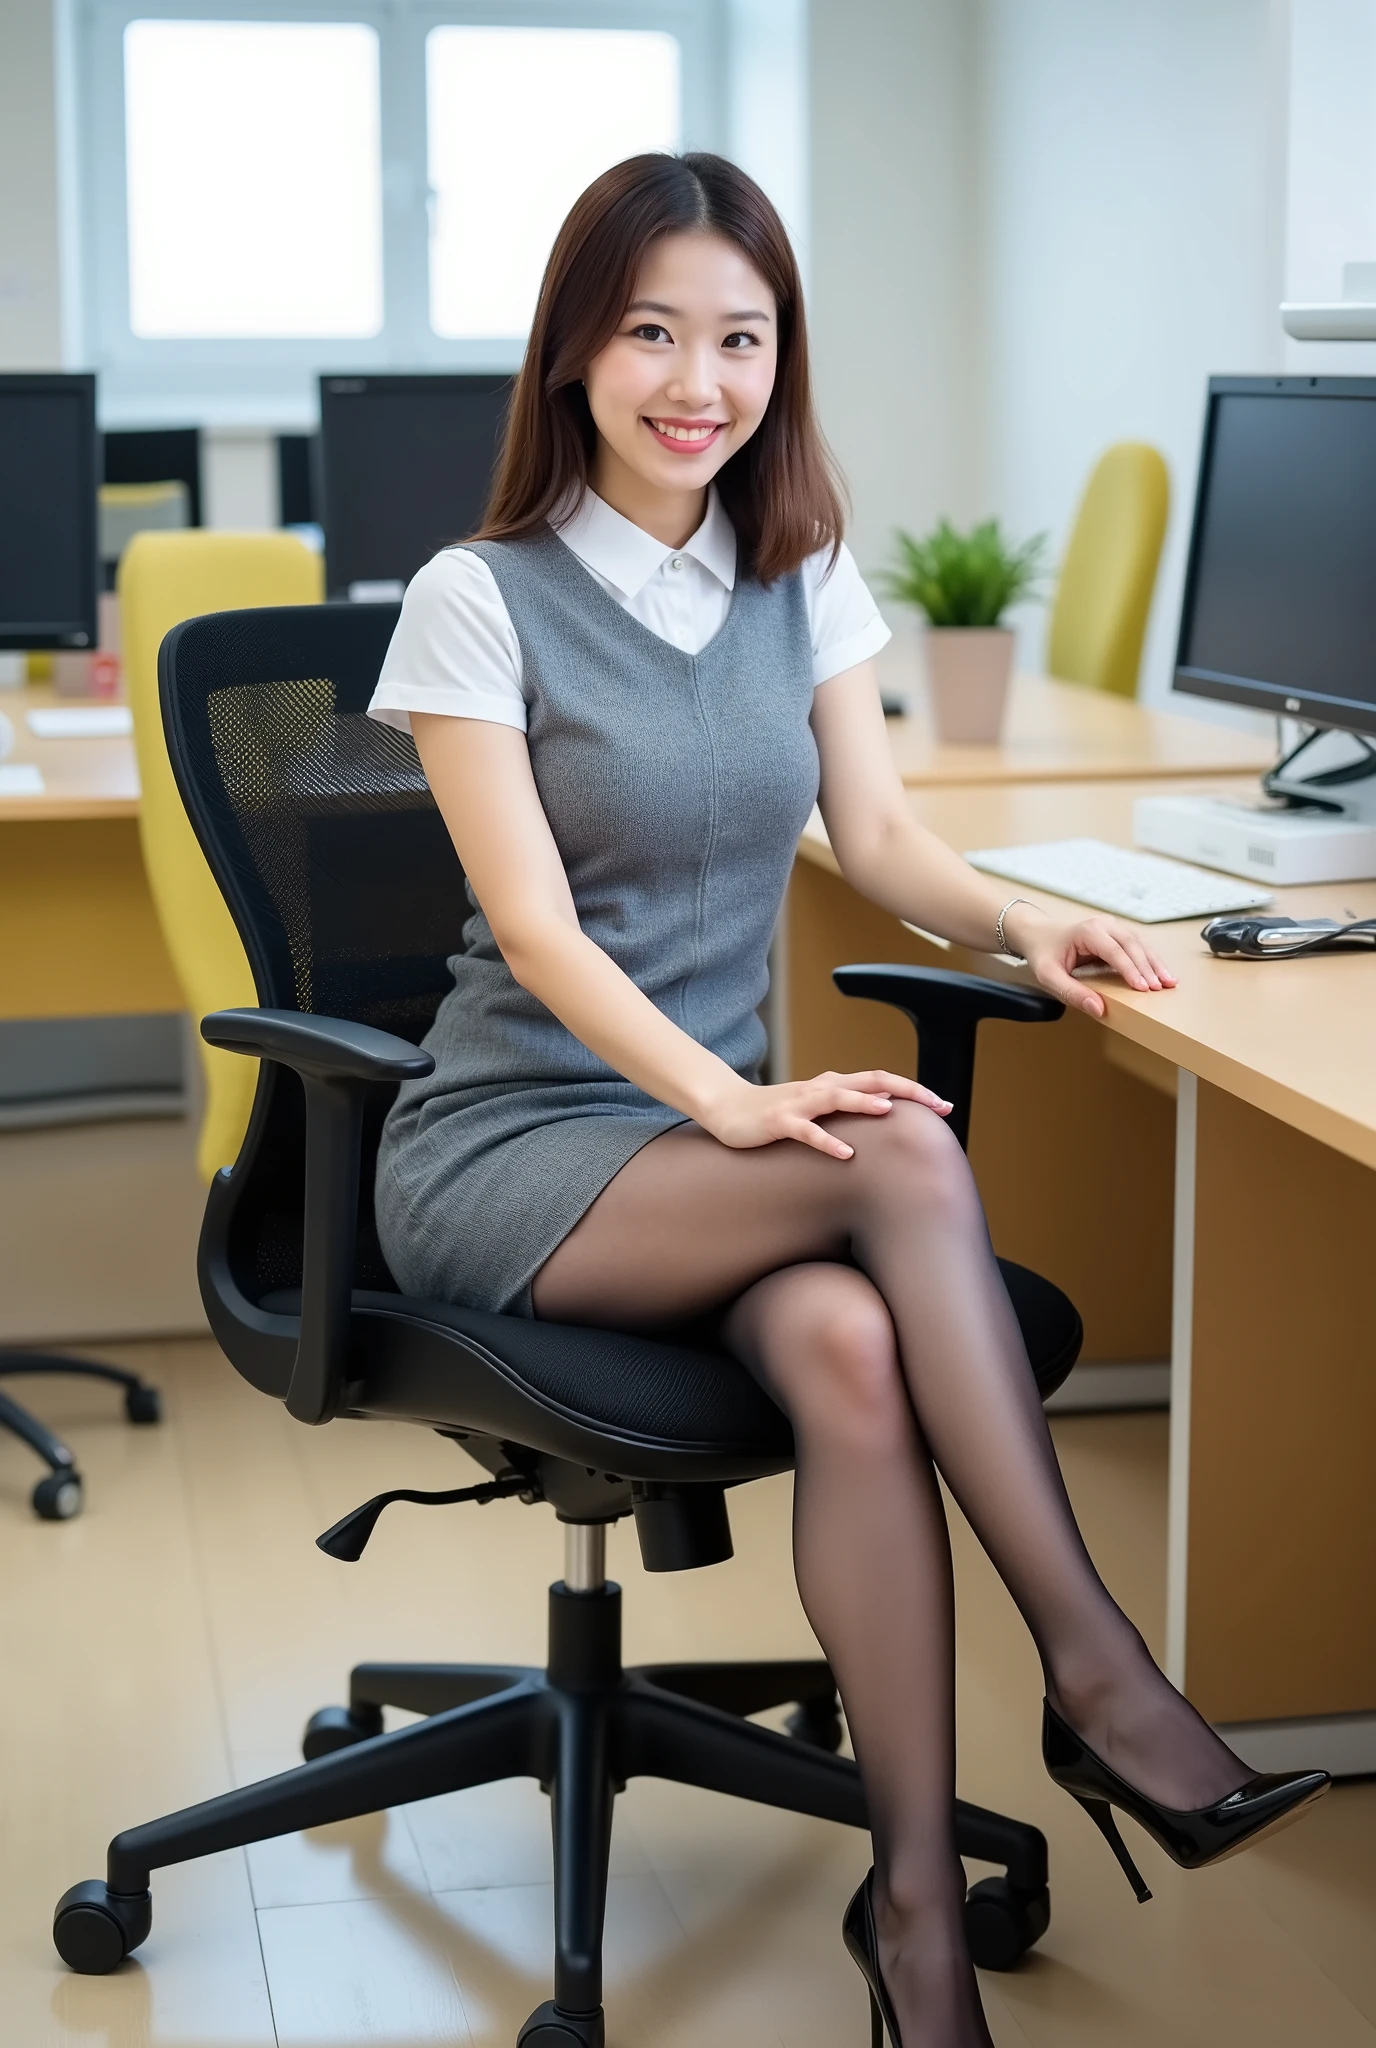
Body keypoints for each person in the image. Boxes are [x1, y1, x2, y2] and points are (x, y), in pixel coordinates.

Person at [368, 151, 1327, 2048]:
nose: (695, 381)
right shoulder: (477, 599)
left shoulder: (795, 564)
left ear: (780, 354)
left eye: (739, 335)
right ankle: (1105, 1681)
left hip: (718, 1150)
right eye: (650, 333)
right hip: (516, 1146)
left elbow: (877, 834)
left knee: (854, 1353)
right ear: (574, 352)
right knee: (891, 1143)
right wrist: (732, 1108)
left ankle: (916, 1929)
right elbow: (543, 939)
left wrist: (1032, 923)